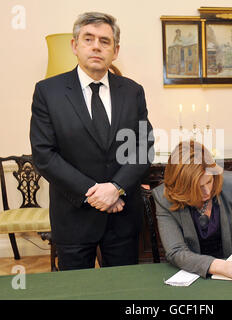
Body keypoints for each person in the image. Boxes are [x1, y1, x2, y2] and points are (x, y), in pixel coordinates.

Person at [30, 12, 154, 271]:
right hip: (73, 217)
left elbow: (143, 147)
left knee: (122, 290)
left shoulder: (133, 91)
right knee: (77, 292)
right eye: (89, 39)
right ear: (75, 45)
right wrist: (95, 193)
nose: (96, 46)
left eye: (105, 41)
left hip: (122, 217)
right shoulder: (48, 92)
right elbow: (44, 154)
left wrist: (117, 187)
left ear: (115, 50)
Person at [152, 140, 232, 280]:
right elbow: (176, 252)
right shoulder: (164, 198)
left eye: (209, 181)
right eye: (198, 187)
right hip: (195, 273)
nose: (207, 191)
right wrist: (224, 267)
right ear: (181, 187)